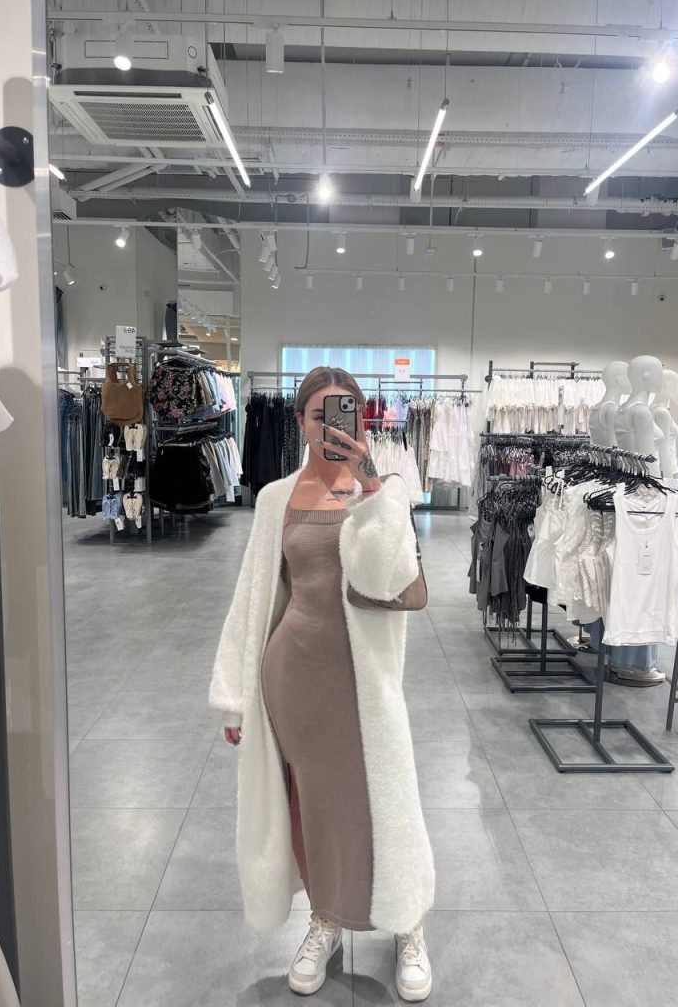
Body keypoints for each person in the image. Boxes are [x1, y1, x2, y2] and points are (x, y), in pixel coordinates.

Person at [209, 366, 435, 1001]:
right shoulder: (275, 498)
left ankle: (409, 921)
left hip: (367, 680)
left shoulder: (387, 489)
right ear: (301, 421)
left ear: (362, 419)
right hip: (294, 677)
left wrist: (371, 489)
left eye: (347, 413)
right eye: (320, 415)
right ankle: (326, 918)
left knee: (384, 797)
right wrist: (234, 695)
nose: (334, 426)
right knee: (313, 805)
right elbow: (254, 595)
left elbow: (390, 579)